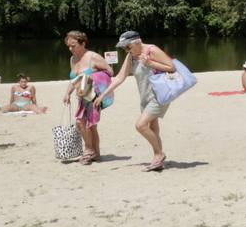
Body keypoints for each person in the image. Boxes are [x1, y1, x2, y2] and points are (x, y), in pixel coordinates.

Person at [105, 31, 176, 172]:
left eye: (128, 46)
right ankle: (158, 161)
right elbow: (120, 77)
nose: (126, 50)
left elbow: (172, 67)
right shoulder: (131, 56)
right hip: (145, 97)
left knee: (140, 125)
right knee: (152, 125)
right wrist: (103, 95)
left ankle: (159, 154)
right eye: (124, 48)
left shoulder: (152, 50)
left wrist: (150, 63)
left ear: (137, 42)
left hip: (159, 95)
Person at [62, 31, 112, 164]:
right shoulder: (72, 59)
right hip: (81, 97)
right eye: (68, 46)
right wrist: (68, 93)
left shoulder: (93, 57)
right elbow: (74, 79)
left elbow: (110, 72)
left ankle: (89, 150)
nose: (71, 49)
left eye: (73, 45)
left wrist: (93, 77)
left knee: (82, 123)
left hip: (94, 96)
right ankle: (96, 154)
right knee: (90, 126)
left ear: (83, 43)